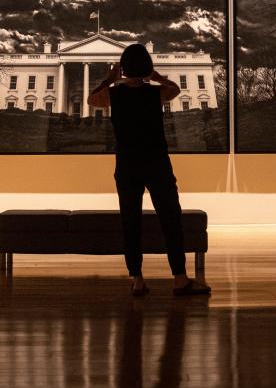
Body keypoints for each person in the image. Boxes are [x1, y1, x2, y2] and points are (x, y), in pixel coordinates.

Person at [88, 44, 211, 297]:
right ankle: (179, 278)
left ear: (124, 67)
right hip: (156, 162)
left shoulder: (114, 95)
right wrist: (155, 76)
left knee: (130, 221)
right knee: (170, 219)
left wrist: (110, 79)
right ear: (146, 66)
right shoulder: (155, 93)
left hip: (127, 164)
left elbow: (91, 100)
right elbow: (175, 90)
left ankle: (137, 279)